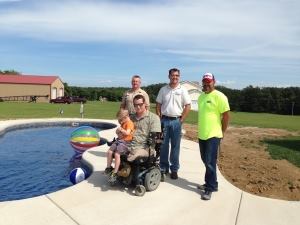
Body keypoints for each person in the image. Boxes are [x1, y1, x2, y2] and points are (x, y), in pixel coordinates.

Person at [197, 72, 230, 200]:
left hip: (214, 134)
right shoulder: (200, 97)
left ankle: (209, 188)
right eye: (204, 82)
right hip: (202, 134)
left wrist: (222, 132)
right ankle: (213, 183)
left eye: (209, 82)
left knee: (210, 162)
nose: (206, 84)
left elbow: (226, 116)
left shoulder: (220, 96)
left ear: (214, 82)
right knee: (205, 160)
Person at [156, 68, 191, 180]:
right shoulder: (163, 89)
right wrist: (159, 117)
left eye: (177, 75)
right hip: (164, 120)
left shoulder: (183, 90)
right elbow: (158, 104)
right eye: (173, 75)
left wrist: (181, 120)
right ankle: (163, 168)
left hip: (177, 121)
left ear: (179, 76)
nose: (175, 77)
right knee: (164, 146)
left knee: (175, 147)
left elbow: (188, 106)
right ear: (169, 76)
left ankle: (174, 169)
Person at [127, 94, 161, 162]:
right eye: (135, 105)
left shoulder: (154, 118)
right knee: (114, 149)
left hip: (144, 148)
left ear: (145, 104)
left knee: (133, 154)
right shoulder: (130, 118)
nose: (138, 107)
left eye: (140, 104)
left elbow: (154, 137)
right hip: (129, 145)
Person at [105, 109, 135, 182]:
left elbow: (127, 133)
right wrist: (118, 131)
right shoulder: (123, 123)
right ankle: (108, 167)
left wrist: (121, 130)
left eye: (121, 120)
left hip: (126, 142)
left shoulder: (129, 123)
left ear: (126, 117)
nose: (120, 121)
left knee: (117, 154)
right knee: (109, 152)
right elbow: (119, 134)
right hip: (120, 140)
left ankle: (115, 172)